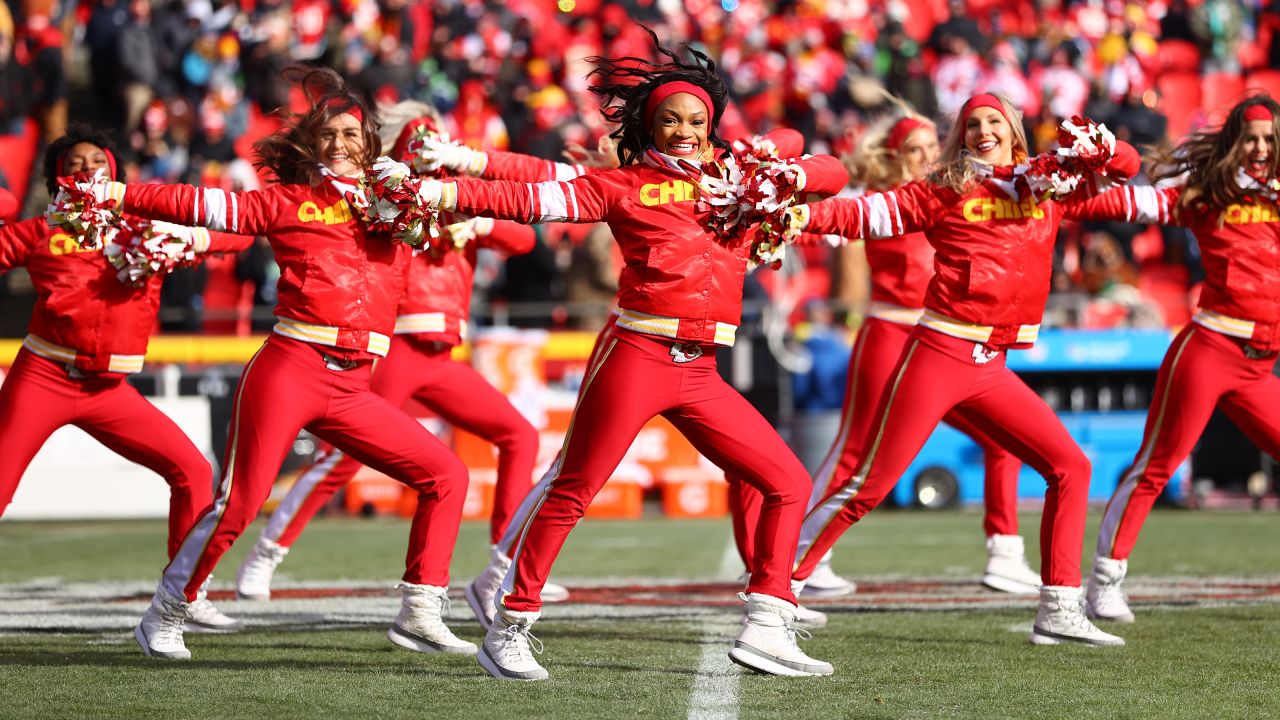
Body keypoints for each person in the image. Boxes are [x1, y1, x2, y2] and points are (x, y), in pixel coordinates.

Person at [419, 33, 849, 680]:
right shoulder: (624, 186)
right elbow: (534, 197)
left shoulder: (741, 179)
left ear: (713, 126)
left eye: (696, 121)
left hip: (701, 369)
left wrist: (783, 168)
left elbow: (828, 166)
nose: (683, 131)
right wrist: (450, 191)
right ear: (649, 127)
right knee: (573, 491)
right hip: (638, 355)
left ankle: (767, 622)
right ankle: (509, 624)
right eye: (669, 120)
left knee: (787, 481)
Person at [64, 66, 475, 661]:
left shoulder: (399, 198)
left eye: (351, 135)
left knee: (446, 474)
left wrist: (477, 179)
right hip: (293, 366)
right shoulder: (288, 201)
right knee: (240, 501)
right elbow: (204, 205)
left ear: (371, 144)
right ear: (310, 146)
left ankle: (420, 610)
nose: (339, 145)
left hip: (356, 383)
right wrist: (114, 192)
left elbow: (484, 209)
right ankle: (167, 611)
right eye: (327, 135)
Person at [781, 92, 1141, 647]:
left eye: (993, 121)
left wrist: (1103, 146)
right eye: (971, 125)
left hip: (990, 365)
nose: (980, 131)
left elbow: (1125, 173)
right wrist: (801, 213)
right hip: (941, 353)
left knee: (1070, 466)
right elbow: (869, 214)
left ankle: (1060, 606)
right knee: (868, 484)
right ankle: (779, 588)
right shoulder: (947, 187)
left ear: (1015, 132)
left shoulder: (1049, 185)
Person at [233, 103, 548, 617]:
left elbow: (524, 236)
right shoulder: (387, 192)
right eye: (418, 135)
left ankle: (501, 565)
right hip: (396, 346)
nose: (429, 142)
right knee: (342, 458)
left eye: (436, 134)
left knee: (520, 435)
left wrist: (477, 224)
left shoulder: (450, 189)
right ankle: (268, 551)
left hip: (441, 356)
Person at [730, 110, 1042, 602]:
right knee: (855, 453)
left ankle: (1004, 552)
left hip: (953, 346)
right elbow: (829, 226)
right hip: (893, 333)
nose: (927, 155)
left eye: (931, 147)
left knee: (1003, 442)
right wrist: (774, 229)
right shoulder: (887, 201)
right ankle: (803, 557)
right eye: (915, 149)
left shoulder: (960, 192)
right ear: (895, 157)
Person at [1, 124, 247, 633]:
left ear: (114, 172)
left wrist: (192, 233)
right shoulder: (42, 230)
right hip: (43, 376)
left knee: (194, 473)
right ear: (57, 182)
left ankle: (184, 592)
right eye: (73, 165)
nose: (86, 170)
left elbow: (237, 235)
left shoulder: (148, 225)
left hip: (108, 391)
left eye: (96, 162)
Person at [1075, 96, 1280, 624]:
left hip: (1260, 367)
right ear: (1236, 142)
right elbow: (1134, 206)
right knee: (1157, 465)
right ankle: (1104, 579)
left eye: (1269, 138)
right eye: (1251, 137)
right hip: (1210, 349)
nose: (1260, 147)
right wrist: (1066, 197)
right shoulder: (1209, 192)